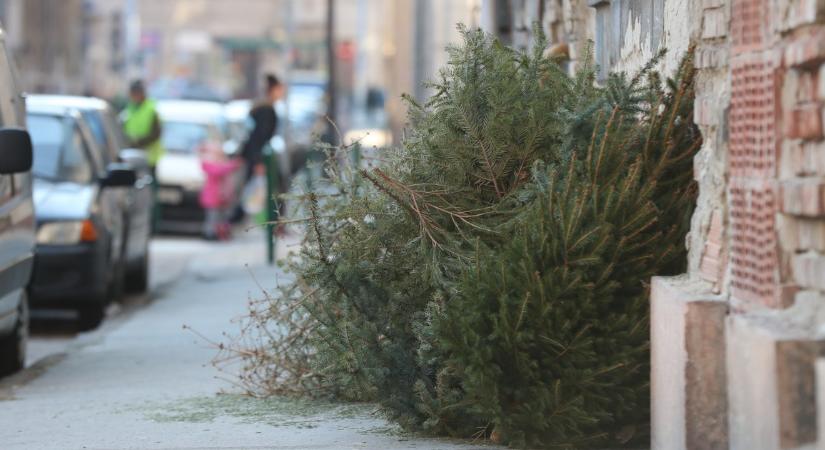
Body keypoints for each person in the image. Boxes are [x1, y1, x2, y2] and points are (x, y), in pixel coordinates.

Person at [241, 74, 285, 181]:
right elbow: (258, 136)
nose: (282, 93)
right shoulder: (266, 111)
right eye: (280, 89)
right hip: (258, 158)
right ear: (273, 90)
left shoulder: (264, 108)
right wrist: (258, 161)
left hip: (257, 156)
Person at [200, 144, 241, 240]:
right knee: (212, 217)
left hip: (224, 197)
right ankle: (210, 233)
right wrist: (233, 165)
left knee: (223, 217)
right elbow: (219, 171)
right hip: (212, 198)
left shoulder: (223, 164)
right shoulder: (208, 164)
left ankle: (221, 232)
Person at [122, 80, 165, 168]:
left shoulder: (151, 109)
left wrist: (138, 142)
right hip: (132, 154)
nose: (132, 97)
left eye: (134, 94)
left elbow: (156, 133)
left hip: (149, 156)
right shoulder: (130, 108)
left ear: (141, 94)